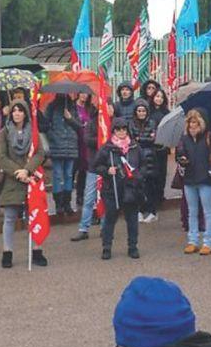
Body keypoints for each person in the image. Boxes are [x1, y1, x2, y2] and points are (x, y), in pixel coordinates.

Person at [0, 101, 48, 269]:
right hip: (12, 179)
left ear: (25, 113)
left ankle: (37, 251)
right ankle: (7, 252)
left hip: (30, 178)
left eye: (20, 111)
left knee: (33, 216)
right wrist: (18, 172)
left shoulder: (33, 132)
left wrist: (27, 170)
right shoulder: (4, 132)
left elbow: (40, 153)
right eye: (14, 111)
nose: (17, 114)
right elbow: (1, 156)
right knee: (10, 218)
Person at [92, 118, 146, 260]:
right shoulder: (107, 148)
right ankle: (106, 247)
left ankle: (133, 246)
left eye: (124, 129)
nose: (121, 132)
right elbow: (95, 165)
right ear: (114, 131)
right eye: (118, 129)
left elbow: (144, 165)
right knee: (110, 219)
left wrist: (138, 176)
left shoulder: (135, 147)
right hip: (112, 189)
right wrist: (107, 170)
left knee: (132, 220)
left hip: (131, 189)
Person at [175, 108, 211, 255]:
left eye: (195, 122)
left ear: (201, 123)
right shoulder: (184, 138)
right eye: (190, 122)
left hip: (205, 179)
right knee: (192, 212)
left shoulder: (210, 136)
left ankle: (208, 242)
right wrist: (182, 159)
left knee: (207, 212)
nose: (192, 125)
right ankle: (193, 240)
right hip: (189, 179)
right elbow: (179, 155)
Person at [43, 95, 82, 216]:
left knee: (69, 175)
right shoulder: (51, 107)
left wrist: (70, 118)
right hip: (56, 145)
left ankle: (67, 202)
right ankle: (58, 204)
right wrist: (53, 136)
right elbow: (45, 125)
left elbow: (79, 126)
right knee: (57, 175)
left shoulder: (73, 107)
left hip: (71, 145)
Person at [73, 92, 101, 239]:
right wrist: (101, 139)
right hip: (94, 166)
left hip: (109, 168)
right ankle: (83, 228)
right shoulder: (92, 123)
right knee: (89, 198)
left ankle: (105, 227)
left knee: (105, 200)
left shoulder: (115, 124)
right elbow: (87, 139)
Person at [129, 103, 163, 222]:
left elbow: (153, 139)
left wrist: (140, 139)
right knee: (138, 186)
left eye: (143, 111)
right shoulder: (132, 123)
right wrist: (144, 139)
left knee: (150, 186)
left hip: (150, 158)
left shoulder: (152, 123)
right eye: (139, 111)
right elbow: (132, 139)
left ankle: (152, 211)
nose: (141, 113)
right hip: (136, 157)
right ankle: (139, 211)